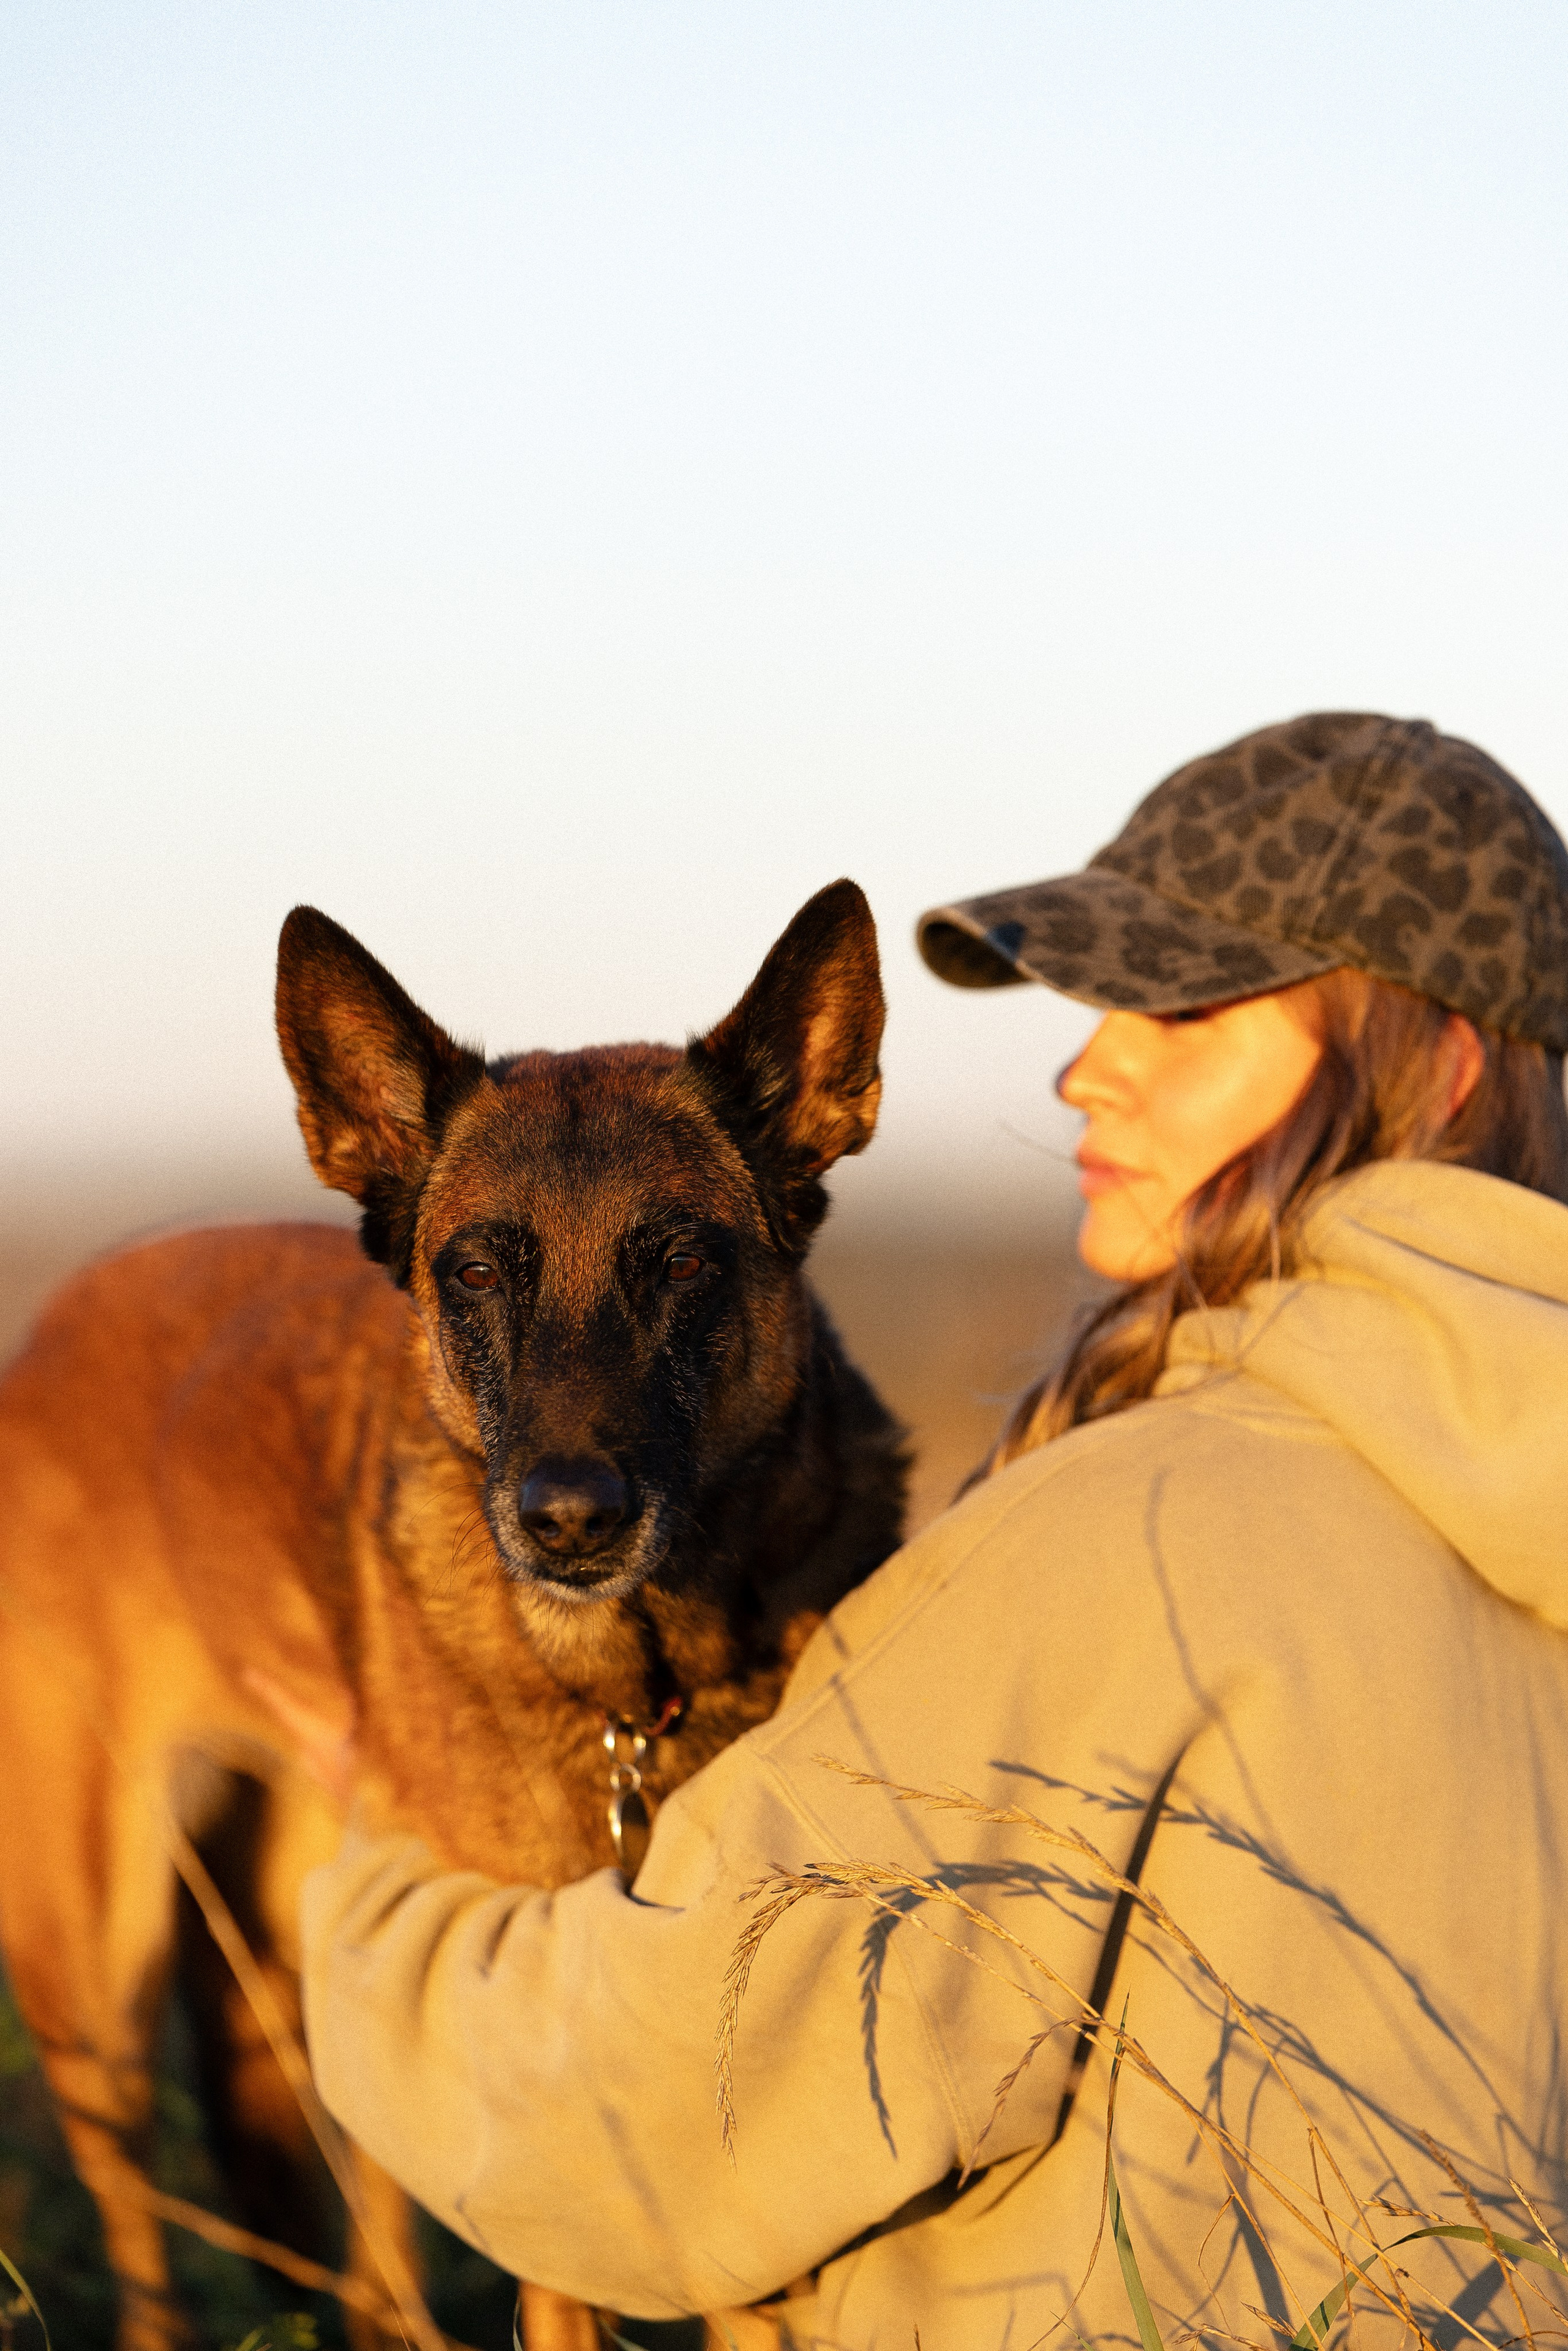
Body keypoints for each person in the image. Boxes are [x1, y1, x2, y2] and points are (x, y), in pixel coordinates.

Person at [294, 711, 1568, 2350]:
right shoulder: (1498, 1467)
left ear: (1435, 1064)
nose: (1083, 1062)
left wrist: (362, 1900)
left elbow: (636, 2138)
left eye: (1177, 1011)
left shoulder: (1141, 1534)